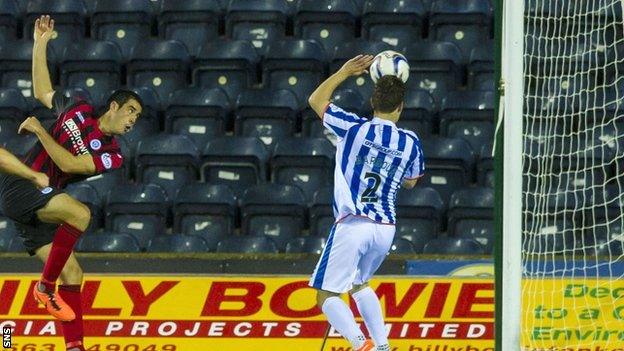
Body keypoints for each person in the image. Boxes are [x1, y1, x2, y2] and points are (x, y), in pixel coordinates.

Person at [0, 15, 143, 351]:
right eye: (131, 112)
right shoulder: (76, 108)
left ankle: (74, 345)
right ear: (114, 106)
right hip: (22, 185)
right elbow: (42, 90)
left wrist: (39, 131)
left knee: (74, 274)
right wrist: (40, 44)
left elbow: (67, 163)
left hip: (41, 199)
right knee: (80, 214)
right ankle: (45, 289)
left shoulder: (113, 155)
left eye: (137, 118)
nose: (133, 121)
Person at [307, 55, 425, 351]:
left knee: (327, 295)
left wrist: (345, 72)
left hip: (353, 223)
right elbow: (411, 181)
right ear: (401, 107)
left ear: (373, 102)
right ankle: (383, 347)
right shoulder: (410, 141)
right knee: (360, 285)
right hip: (385, 228)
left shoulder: (352, 128)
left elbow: (315, 100)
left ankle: (361, 344)